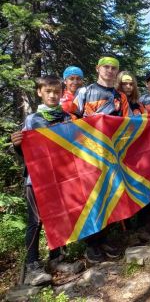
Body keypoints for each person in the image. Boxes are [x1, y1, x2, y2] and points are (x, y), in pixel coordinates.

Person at [11, 76, 72, 286]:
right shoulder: (32, 119)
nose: (53, 95)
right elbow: (24, 152)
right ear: (40, 92)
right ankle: (32, 266)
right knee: (35, 222)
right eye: (48, 91)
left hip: (61, 178)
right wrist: (17, 145)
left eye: (56, 91)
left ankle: (57, 258)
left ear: (62, 93)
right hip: (36, 180)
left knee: (59, 216)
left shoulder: (67, 118)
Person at [71, 56, 127, 262]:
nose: (110, 71)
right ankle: (91, 244)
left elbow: (126, 123)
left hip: (111, 154)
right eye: (106, 67)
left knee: (109, 195)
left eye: (114, 68)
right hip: (88, 153)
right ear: (98, 69)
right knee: (91, 197)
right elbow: (70, 119)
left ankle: (103, 239)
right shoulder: (84, 92)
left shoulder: (120, 96)